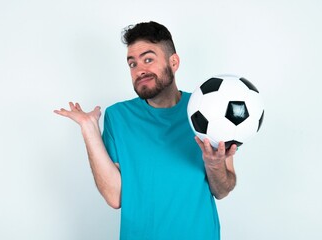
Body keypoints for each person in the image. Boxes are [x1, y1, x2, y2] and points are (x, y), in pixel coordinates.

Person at [54, 21, 237, 240]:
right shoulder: (118, 117)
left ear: (174, 62)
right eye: (132, 64)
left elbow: (222, 190)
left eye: (148, 59)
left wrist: (214, 164)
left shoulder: (207, 110)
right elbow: (114, 197)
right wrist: (89, 129)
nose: (140, 70)